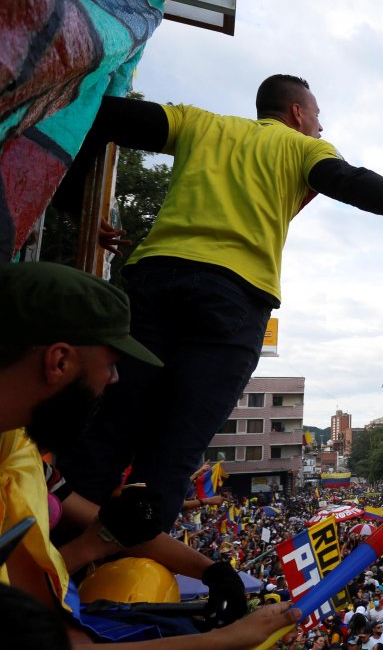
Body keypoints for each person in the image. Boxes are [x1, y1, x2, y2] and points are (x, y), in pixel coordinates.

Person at [53, 74, 383, 530]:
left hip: (153, 282)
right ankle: (117, 584)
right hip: (232, 300)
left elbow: (97, 113)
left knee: (105, 434)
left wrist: (77, 204)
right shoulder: (302, 147)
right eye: (318, 116)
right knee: (170, 456)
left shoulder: (197, 123)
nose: (322, 129)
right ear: (296, 113)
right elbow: (348, 179)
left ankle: (48, 561)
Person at [0, 261, 301, 647]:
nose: (114, 380)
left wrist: (212, 570)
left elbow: (115, 527)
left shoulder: (18, 448)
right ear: (60, 361)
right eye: (110, 365)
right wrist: (230, 639)